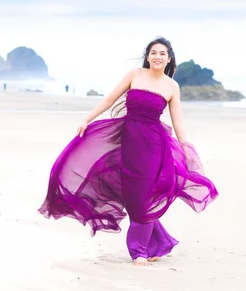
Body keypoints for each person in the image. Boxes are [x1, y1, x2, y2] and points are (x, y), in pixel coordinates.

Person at [38, 37, 219, 266]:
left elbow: (178, 122)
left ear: (169, 58)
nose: (157, 57)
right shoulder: (135, 75)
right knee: (134, 196)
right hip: (129, 142)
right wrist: (87, 119)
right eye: (153, 52)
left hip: (154, 146)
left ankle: (139, 251)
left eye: (162, 53)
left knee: (143, 195)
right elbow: (109, 99)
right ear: (148, 56)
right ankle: (161, 242)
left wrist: (186, 148)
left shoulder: (171, 86)